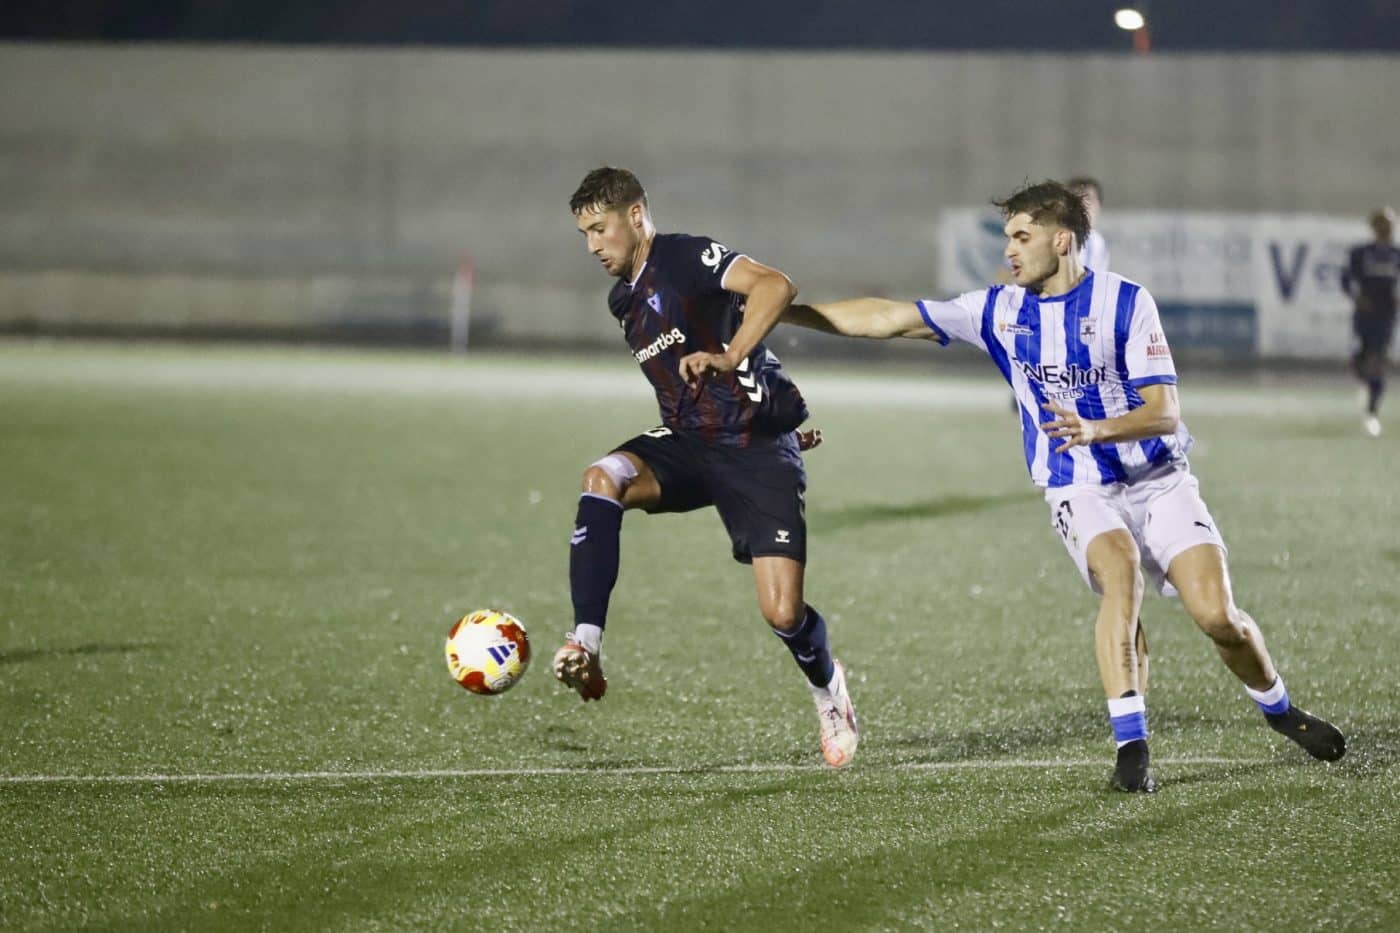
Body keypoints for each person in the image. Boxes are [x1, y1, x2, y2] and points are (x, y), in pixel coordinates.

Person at [782, 179, 1344, 791]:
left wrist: (1098, 427)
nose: (1010, 252)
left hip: (1159, 480)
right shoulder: (997, 310)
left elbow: (1166, 411)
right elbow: (886, 318)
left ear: (1062, 239)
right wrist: (780, 313)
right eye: (1007, 239)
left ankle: (1280, 710)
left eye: (1022, 238)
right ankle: (1133, 748)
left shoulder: (1128, 303)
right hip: (1077, 487)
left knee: (1218, 617)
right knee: (1120, 577)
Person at [557, 166, 858, 768]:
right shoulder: (623, 299)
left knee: (782, 612)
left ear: (636, 216)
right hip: (691, 442)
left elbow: (775, 285)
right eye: (584, 234)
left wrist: (732, 357)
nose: (593, 245)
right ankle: (585, 641)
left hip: (755, 450)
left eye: (600, 228)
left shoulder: (686, 257)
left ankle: (829, 690)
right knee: (602, 477)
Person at [1341, 207, 1399, 437]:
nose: (1386, 228)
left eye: (1390, 224)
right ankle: (1366, 382)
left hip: (1386, 316)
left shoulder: (1397, 253)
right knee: (1359, 361)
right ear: (1374, 227)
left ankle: (1372, 413)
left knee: (1377, 361)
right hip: (1364, 315)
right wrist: (1356, 297)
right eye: (1381, 223)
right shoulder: (1361, 253)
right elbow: (1345, 279)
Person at [1067, 176, 1110, 274]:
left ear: (1099, 205)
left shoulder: (1098, 242)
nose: (1083, 205)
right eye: (1076, 199)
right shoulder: (1053, 240)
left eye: (1089, 199)